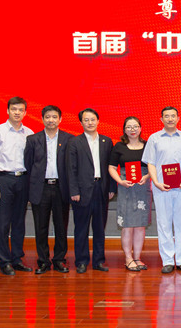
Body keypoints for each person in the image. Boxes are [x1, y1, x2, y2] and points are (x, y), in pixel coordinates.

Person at [0, 97, 34, 275]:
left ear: (25, 112)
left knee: (19, 223)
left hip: (23, 180)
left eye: (20, 110)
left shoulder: (29, 133)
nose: (17, 112)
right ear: (7, 111)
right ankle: (4, 261)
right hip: (3, 180)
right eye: (14, 109)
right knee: (3, 223)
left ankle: (17, 259)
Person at [142, 107, 181, 274]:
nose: (170, 119)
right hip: (161, 187)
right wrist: (156, 182)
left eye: (173, 116)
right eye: (166, 116)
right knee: (164, 224)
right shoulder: (154, 138)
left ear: (178, 118)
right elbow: (150, 163)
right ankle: (168, 260)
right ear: (161, 119)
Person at [23, 105, 73, 274]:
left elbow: (71, 167)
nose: (51, 120)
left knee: (61, 227)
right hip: (40, 188)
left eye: (54, 117)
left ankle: (59, 260)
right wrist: (29, 192)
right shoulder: (33, 139)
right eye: (47, 117)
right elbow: (28, 166)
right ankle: (43, 261)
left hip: (61, 188)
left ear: (60, 119)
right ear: (42, 119)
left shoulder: (69, 139)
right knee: (40, 227)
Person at [68, 108, 115, 273]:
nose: (90, 123)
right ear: (81, 122)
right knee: (81, 228)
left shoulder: (106, 141)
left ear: (98, 121)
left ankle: (99, 261)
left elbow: (111, 166)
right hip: (82, 191)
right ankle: (81, 261)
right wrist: (74, 191)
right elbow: (71, 169)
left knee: (99, 228)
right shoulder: (75, 142)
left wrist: (111, 187)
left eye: (92, 119)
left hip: (101, 189)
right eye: (86, 120)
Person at [109, 116, 151, 272]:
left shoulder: (148, 145)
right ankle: (128, 258)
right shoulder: (119, 146)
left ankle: (137, 257)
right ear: (124, 130)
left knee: (140, 225)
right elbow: (112, 167)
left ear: (140, 128)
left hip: (142, 188)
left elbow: (154, 166)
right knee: (127, 225)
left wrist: (147, 176)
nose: (132, 130)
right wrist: (120, 181)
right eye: (129, 127)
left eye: (135, 126)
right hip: (125, 187)